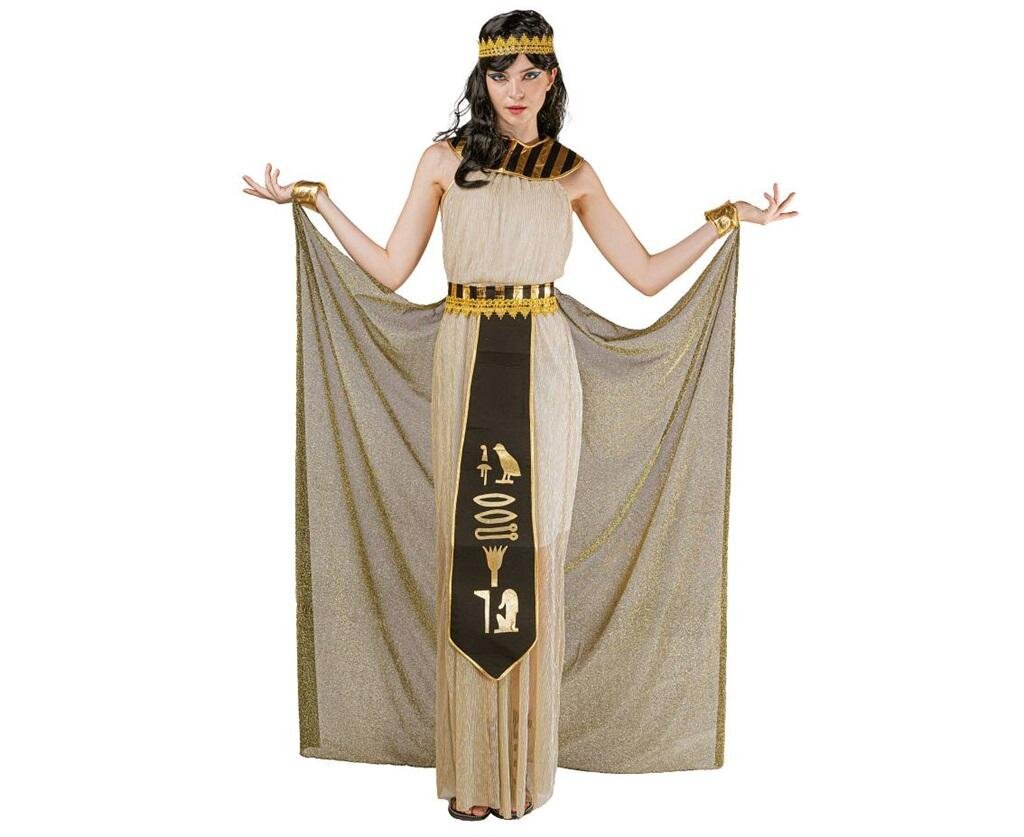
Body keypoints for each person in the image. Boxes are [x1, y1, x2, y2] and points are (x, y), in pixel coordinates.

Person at [243, 8, 796, 823]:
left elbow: (644, 273)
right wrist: (316, 201)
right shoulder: (444, 161)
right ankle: (473, 772)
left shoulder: (571, 173)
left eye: (530, 73)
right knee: (470, 550)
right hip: (466, 353)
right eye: (500, 74)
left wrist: (727, 220)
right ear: (483, 79)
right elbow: (392, 269)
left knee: (531, 557)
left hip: (541, 362)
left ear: (552, 79)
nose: (515, 89)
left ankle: (520, 771)